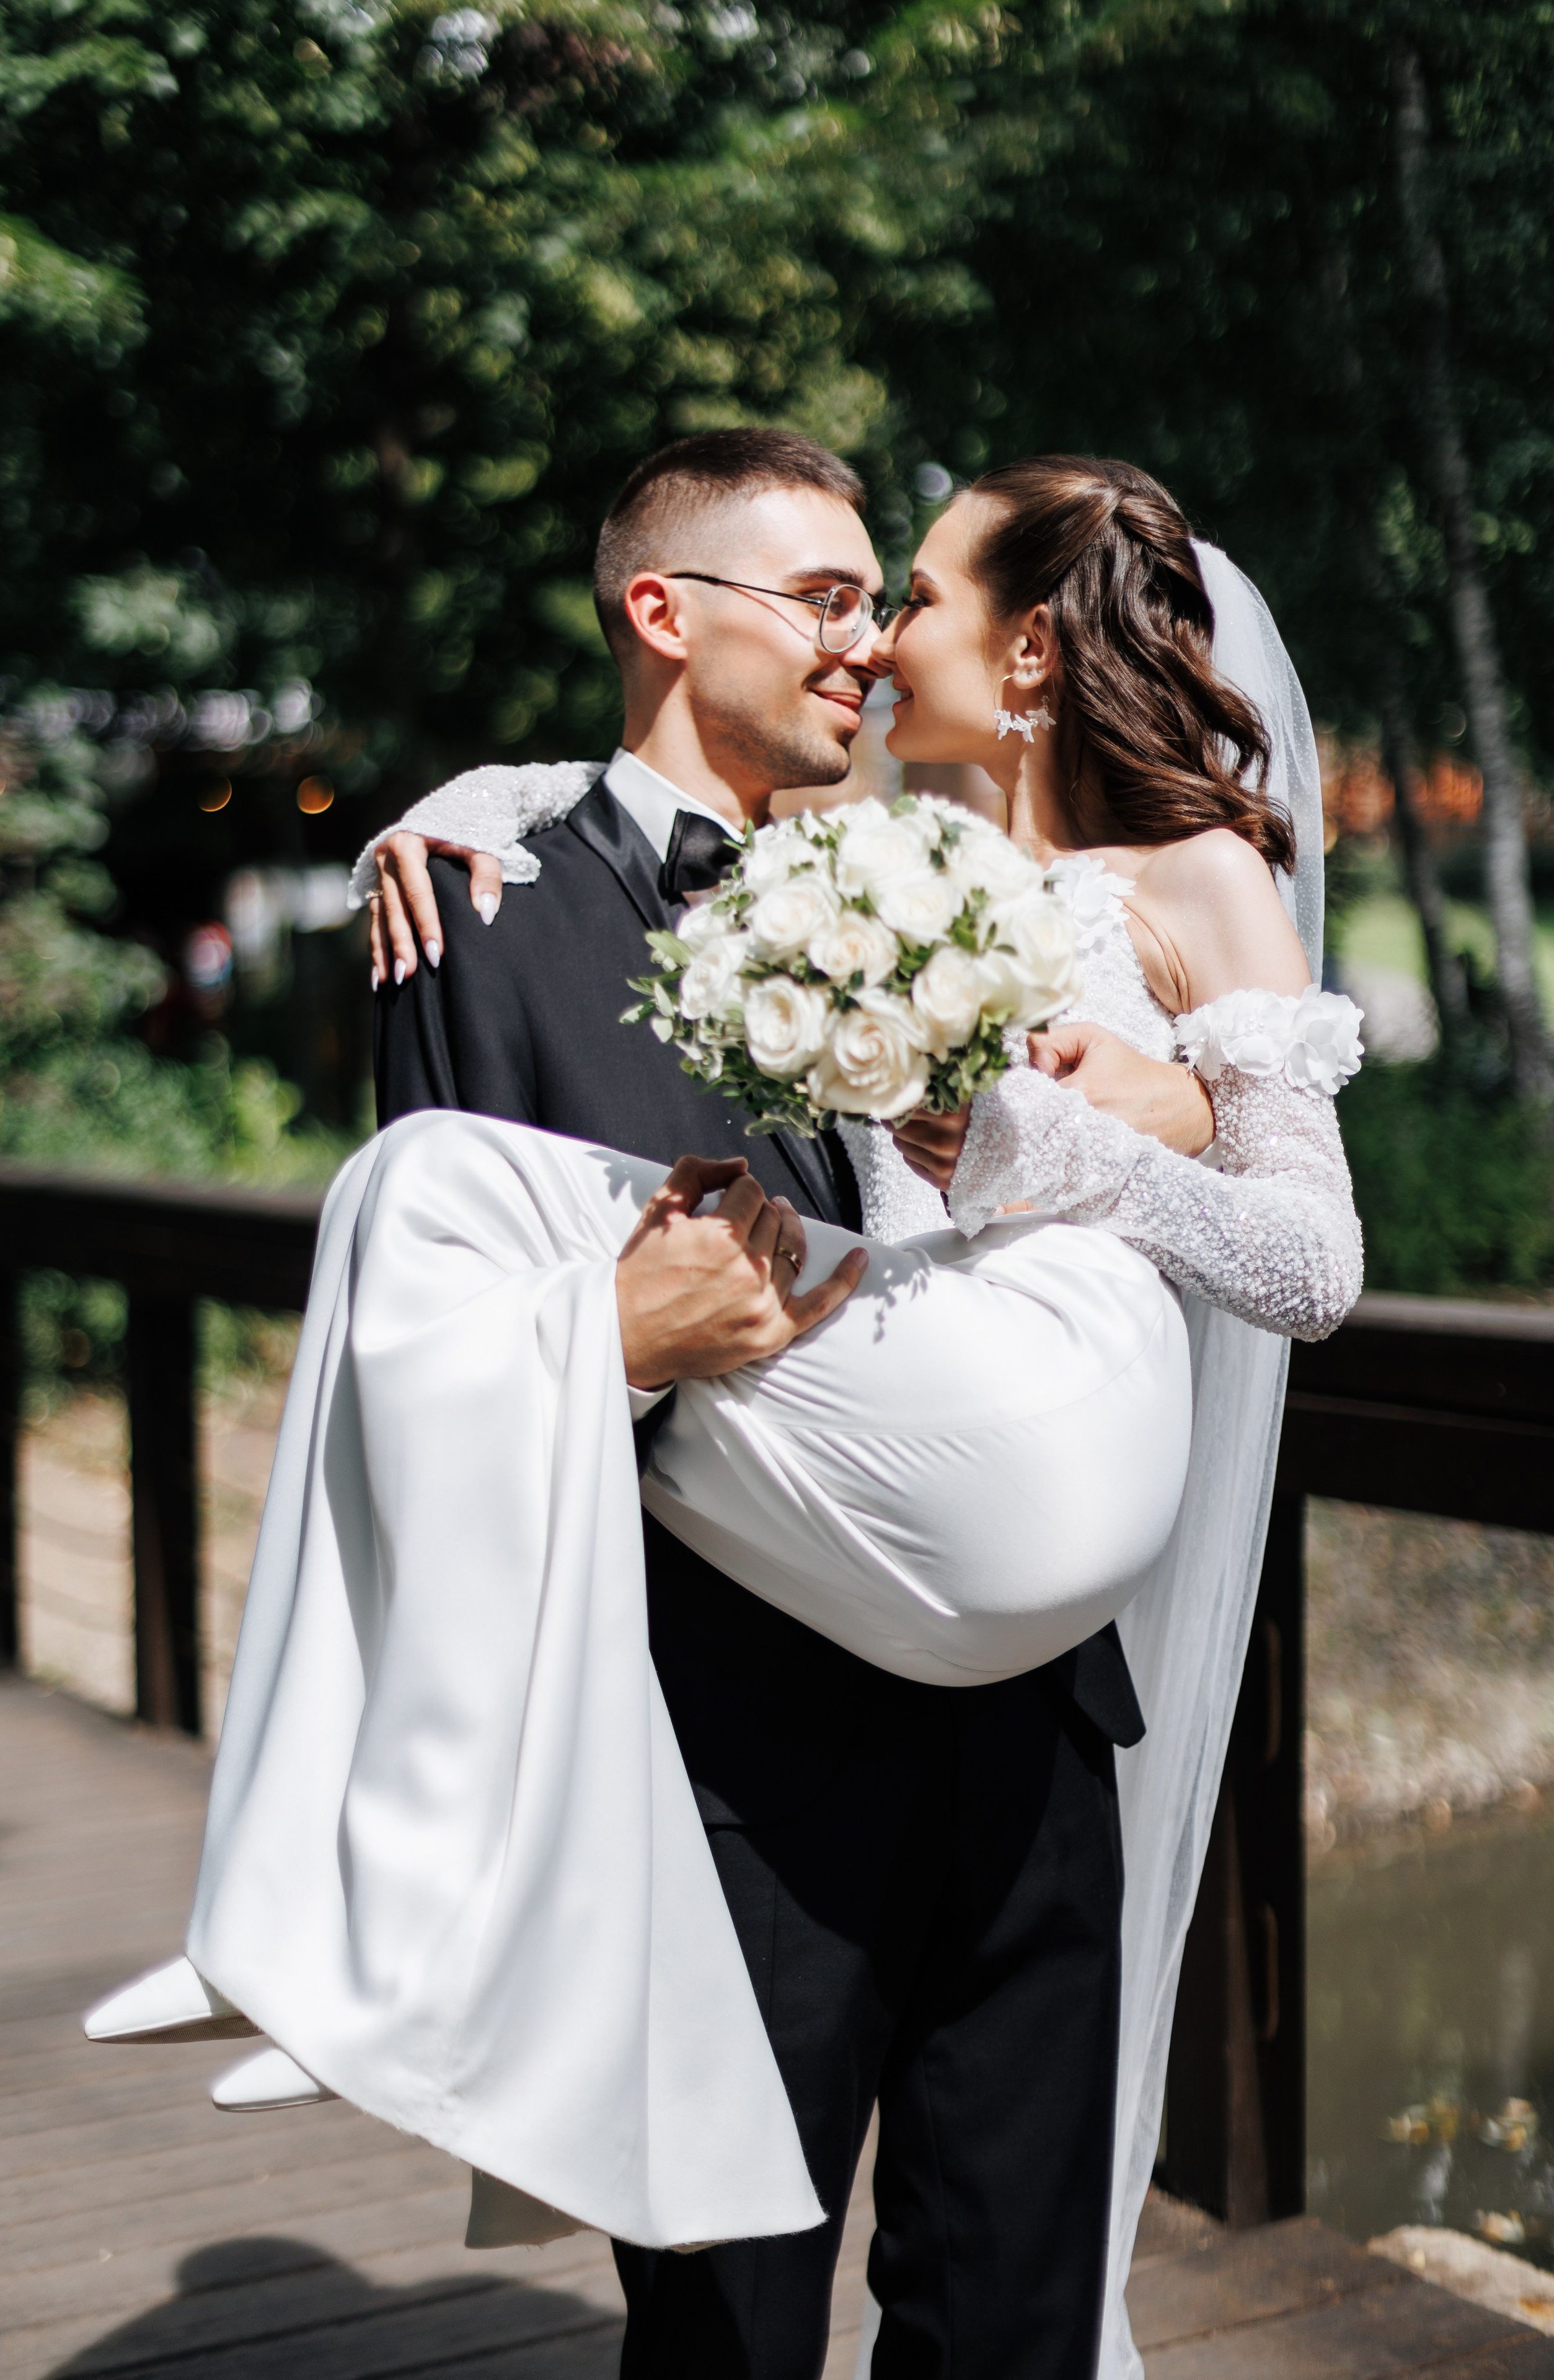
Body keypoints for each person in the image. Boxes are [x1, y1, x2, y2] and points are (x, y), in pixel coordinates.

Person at [357, 442, 1362, 2380]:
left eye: (899, 596)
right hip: (757, 1720)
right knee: (729, 2325)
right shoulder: (858, 851)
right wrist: (473, 799)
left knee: (1007, 2314)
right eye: (841, 599)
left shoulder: (1125, 879)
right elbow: (650, 813)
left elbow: (1301, 1255)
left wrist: (1048, 1139)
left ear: (1038, 651)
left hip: (1040, 1715)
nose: (876, 638)